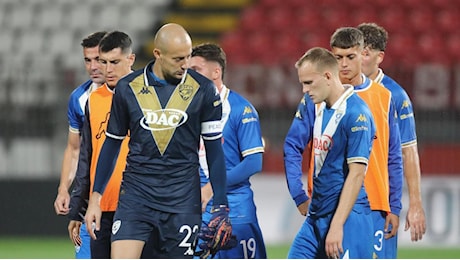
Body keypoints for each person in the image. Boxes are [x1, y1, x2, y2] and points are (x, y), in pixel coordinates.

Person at [84, 23, 232, 259]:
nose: (185, 64)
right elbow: (111, 145)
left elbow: (215, 153)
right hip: (136, 198)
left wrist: (221, 206)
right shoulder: (127, 88)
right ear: (157, 54)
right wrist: (95, 199)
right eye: (177, 59)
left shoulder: (204, 90)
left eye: (188, 56)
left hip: (182, 202)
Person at [68, 30, 154, 259]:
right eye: (102, 62)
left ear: (131, 59)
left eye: (114, 62)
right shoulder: (93, 100)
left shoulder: (151, 97)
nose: (107, 69)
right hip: (101, 207)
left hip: (138, 206)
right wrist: (78, 208)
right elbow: (88, 157)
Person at [286, 47, 375, 258]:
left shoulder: (357, 114)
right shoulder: (316, 106)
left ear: (327, 76)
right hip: (316, 217)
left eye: (308, 83)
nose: (304, 90)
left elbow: (356, 174)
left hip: (348, 219)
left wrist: (337, 226)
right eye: (302, 84)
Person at [329, 27, 404, 259]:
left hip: (375, 204)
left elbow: (394, 155)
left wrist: (394, 205)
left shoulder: (385, 97)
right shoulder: (322, 96)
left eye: (350, 57)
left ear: (363, 55)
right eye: (338, 58)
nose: (343, 64)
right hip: (334, 201)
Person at [190, 43, 267, 259]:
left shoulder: (241, 109)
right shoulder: (188, 112)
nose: (189, 76)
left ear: (217, 71)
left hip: (236, 211)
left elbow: (254, 162)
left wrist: (211, 188)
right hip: (197, 210)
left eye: (196, 70)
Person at [357, 22, 426, 247]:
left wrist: (414, 204)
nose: (359, 60)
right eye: (357, 53)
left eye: (365, 54)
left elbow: (408, 150)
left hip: (379, 201)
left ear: (380, 57)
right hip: (344, 196)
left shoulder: (395, 95)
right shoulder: (341, 90)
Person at [53, 31, 107, 259]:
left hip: (130, 197)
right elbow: (74, 148)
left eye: (99, 59)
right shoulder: (80, 98)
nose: (93, 66)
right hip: (91, 199)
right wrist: (64, 188)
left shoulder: (136, 92)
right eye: (88, 60)